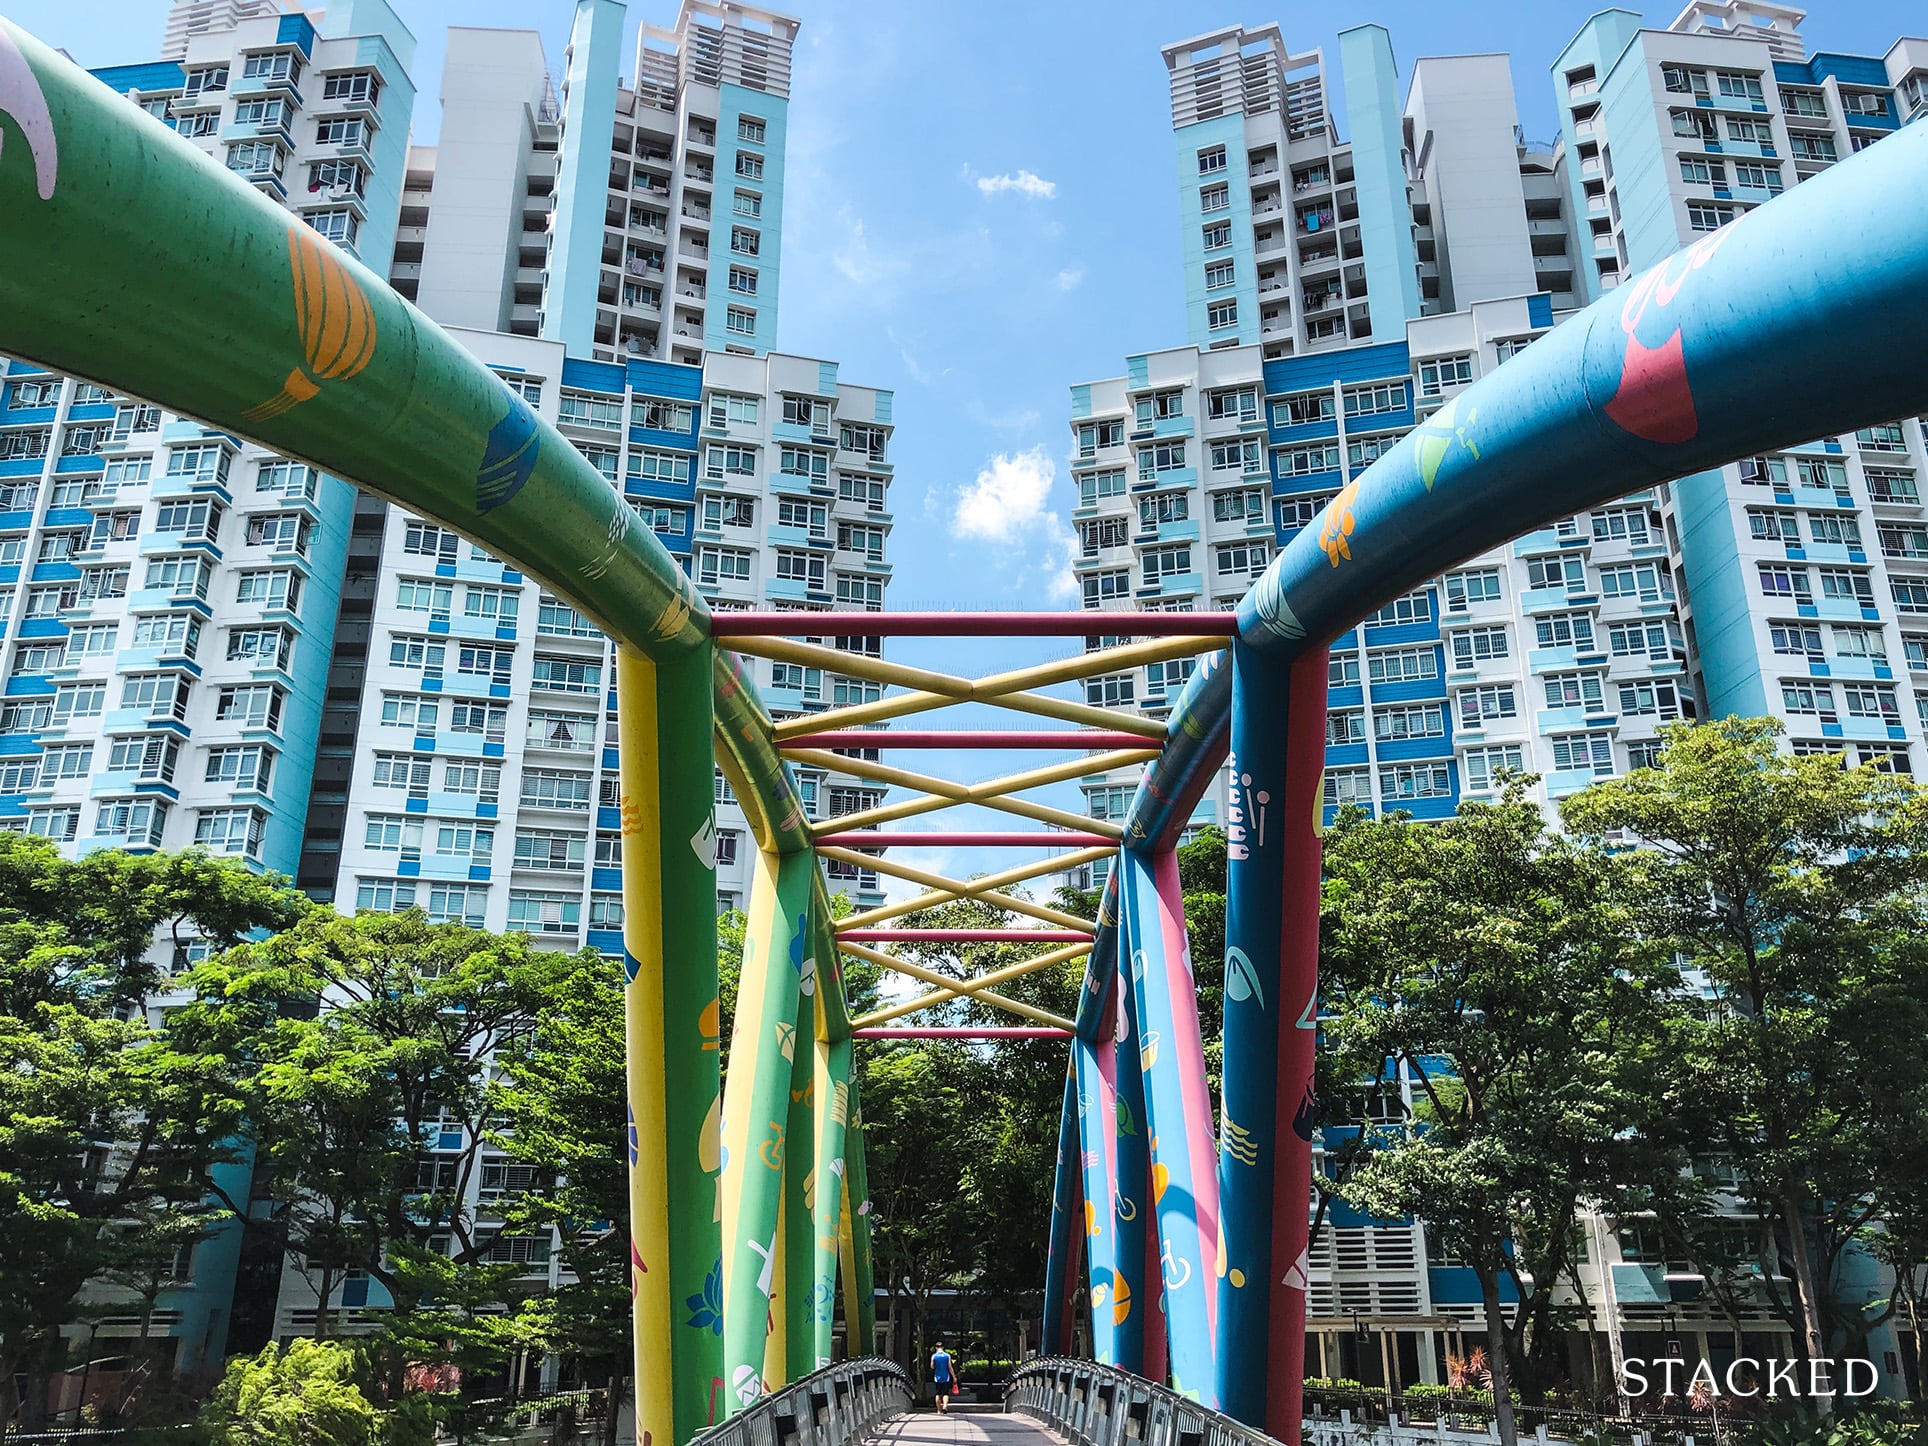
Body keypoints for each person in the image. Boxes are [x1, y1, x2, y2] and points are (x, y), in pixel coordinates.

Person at [930, 1342, 957, 1411]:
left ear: (936, 1348)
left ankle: (939, 1410)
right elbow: (950, 1367)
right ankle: (945, 1406)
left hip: (937, 1377)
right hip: (946, 1376)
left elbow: (932, 1366)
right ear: (943, 1347)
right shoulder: (947, 1356)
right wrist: (954, 1377)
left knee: (938, 1393)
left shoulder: (934, 1356)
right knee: (945, 1393)